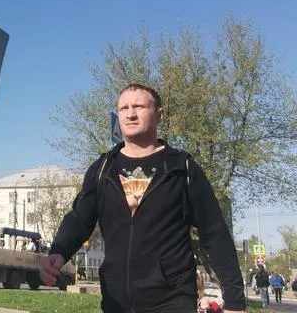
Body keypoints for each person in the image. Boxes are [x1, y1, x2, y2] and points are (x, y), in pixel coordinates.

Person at [40, 83, 247, 312]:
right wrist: (58, 252)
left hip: (172, 301)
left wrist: (235, 300)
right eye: (123, 108)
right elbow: (79, 219)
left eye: (139, 106)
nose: (130, 114)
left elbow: (214, 231)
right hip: (116, 302)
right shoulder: (102, 169)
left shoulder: (181, 168)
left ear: (159, 115)